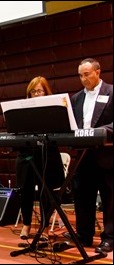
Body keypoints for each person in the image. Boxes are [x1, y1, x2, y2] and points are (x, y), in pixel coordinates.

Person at [70, 58, 113, 253]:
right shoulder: (76, 98)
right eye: (80, 75)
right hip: (83, 156)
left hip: (107, 156)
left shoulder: (111, 92)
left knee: (110, 199)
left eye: (86, 74)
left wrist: (100, 132)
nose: (83, 79)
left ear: (98, 72)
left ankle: (110, 238)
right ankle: (84, 236)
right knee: (82, 197)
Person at [15, 76, 65, 239]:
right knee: (25, 191)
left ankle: (43, 226)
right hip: (27, 154)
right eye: (33, 92)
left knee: (46, 192)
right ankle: (27, 224)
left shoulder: (54, 109)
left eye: (39, 91)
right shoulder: (22, 110)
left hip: (47, 154)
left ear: (46, 92)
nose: (36, 94)